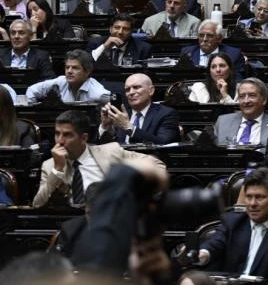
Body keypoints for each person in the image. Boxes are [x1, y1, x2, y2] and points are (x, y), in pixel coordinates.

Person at [33, 109, 166, 207]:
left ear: (83, 138)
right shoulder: (50, 166)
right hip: (73, 224)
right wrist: (57, 169)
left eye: (67, 135)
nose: (60, 141)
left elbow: (157, 165)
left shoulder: (110, 152)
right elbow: (38, 204)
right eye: (57, 134)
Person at [198, 167, 268, 285]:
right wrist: (202, 254)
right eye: (249, 197)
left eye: (260, 197)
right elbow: (214, 244)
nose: (252, 204)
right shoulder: (233, 222)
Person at [97, 73, 180, 145]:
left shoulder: (166, 113)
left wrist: (129, 127)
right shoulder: (120, 114)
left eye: (136, 87)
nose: (131, 92)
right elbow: (100, 147)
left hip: (149, 159)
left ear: (151, 91)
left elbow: (164, 142)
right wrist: (105, 126)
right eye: (127, 90)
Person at [211, 78, 268, 147]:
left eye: (252, 95)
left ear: (264, 100)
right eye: (242, 96)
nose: (246, 101)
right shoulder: (223, 121)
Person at [26, 49, 110, 103]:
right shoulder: (60, 81)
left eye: (75, 68)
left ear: (87, 71)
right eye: (67, 67)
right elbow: (31, 90)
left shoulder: (99, 94)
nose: (69, 71)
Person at [181, 20, 245, 78]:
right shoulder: (187, 52)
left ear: (219, 39)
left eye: (209, 36)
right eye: (201, 35)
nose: (204, 39)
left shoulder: (233, 55)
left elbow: (238, 80)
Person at [0, 19, 54, 83]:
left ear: (30, 36)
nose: (16, 36)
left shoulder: (41, 56)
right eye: (13, 33)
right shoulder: (1, 54)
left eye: (21, 33)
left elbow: (50, 80)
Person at [87, 13, 153, 65]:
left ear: (131, 32)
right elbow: (86, 64)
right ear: (110, 29)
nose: (120, 32)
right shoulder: (95, 43)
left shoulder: (143, 48)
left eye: (125, 29)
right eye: (117, 27)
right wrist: (104, 47)